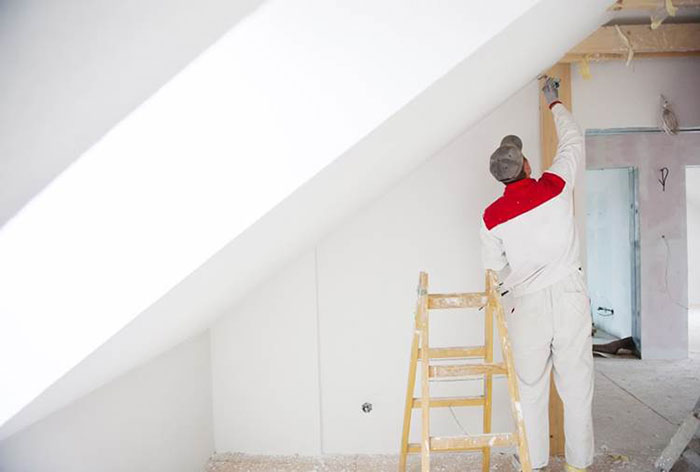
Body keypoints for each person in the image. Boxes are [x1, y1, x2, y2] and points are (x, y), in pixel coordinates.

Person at [480, 78, 593, 472]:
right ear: (526, 165)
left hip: (526, 306)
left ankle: (532, 465)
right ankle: (578, 466)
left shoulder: (492, 217)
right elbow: (573, 141)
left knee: (529, 392)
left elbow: (495, 269)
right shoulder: (555, 184)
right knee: (577, 389)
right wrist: (553, 101)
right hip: (567, 296)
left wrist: (523, 275)